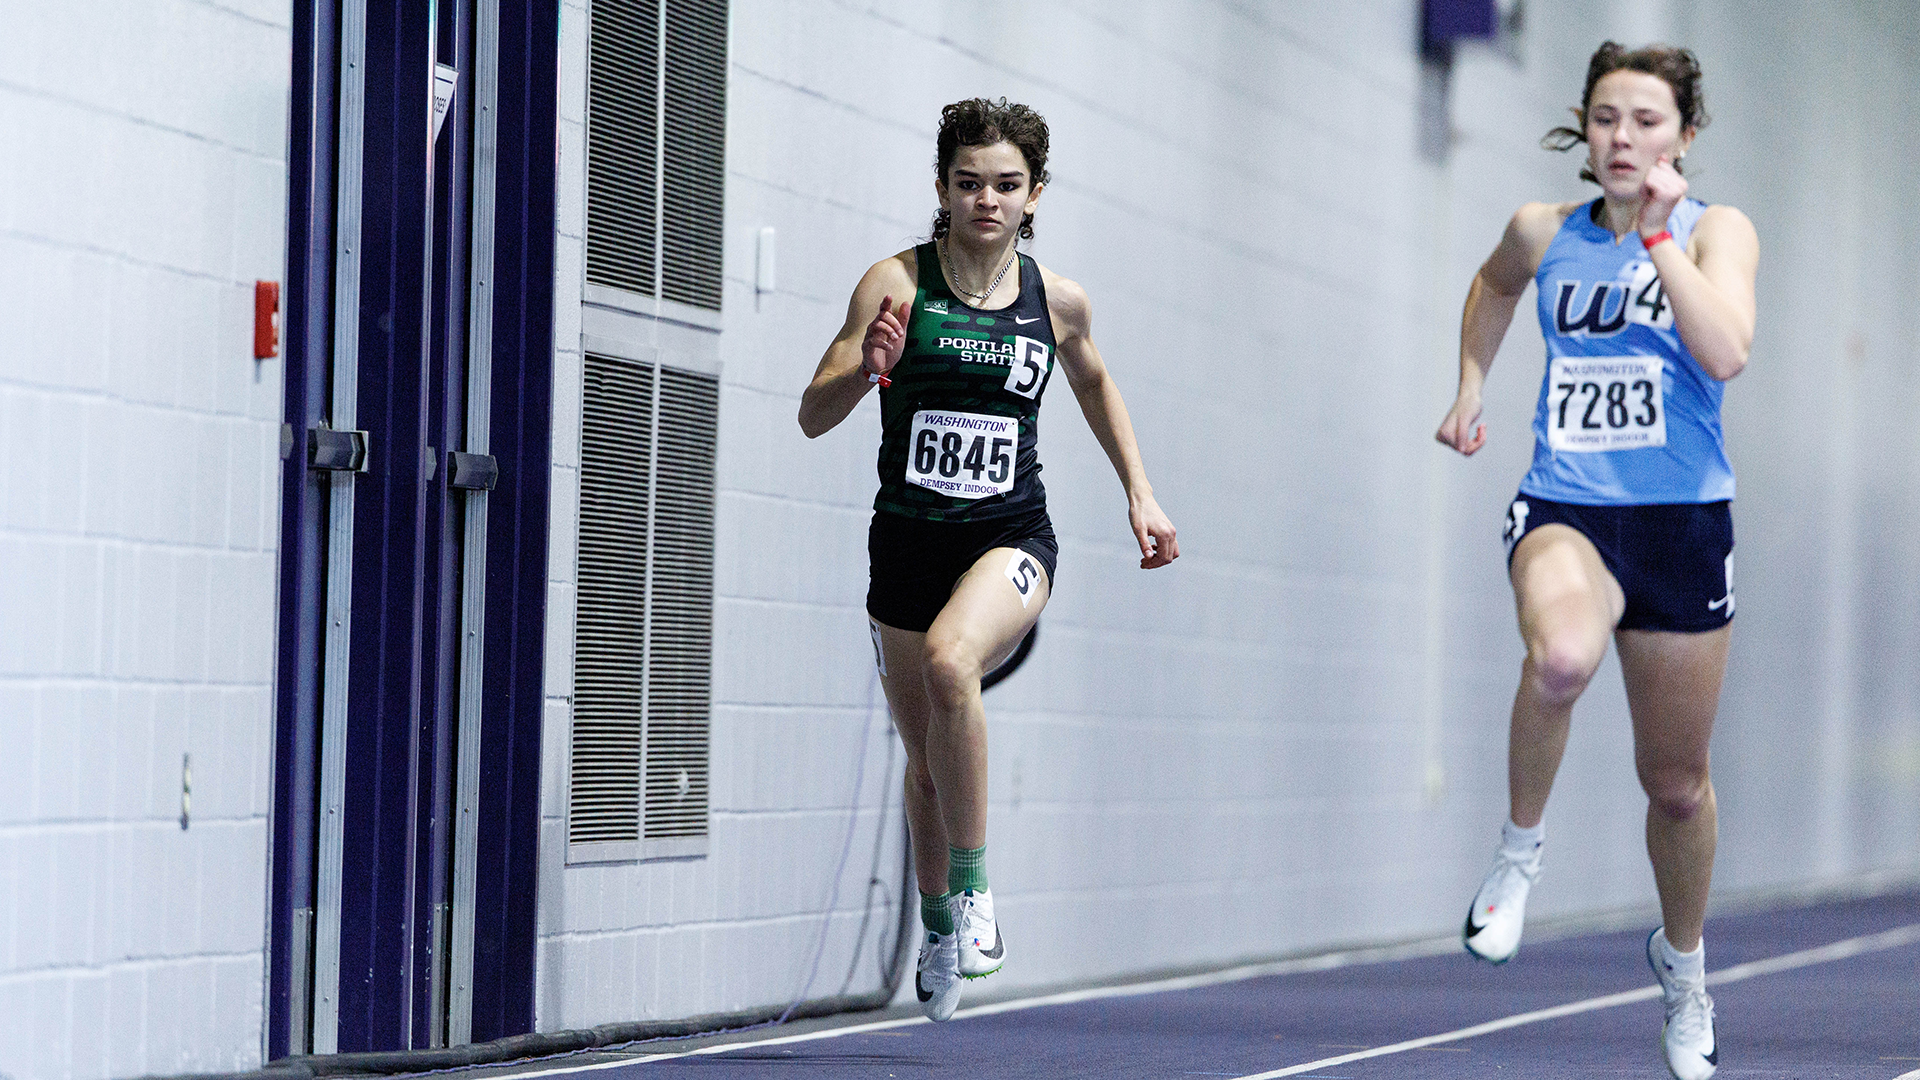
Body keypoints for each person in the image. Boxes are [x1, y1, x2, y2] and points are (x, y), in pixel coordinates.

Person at [799, 98, 1179, 1022]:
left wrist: (1140, 490)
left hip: (1011, 536)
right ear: (941, 187)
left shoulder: (1059, 301)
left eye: (1006, 185)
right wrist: (866, 369)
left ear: (1034, 194)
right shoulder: (893, 283)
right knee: (925, 760)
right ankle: (937, 927)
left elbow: (1093, 380)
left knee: (950, 661)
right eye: (968, 183)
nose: (986, 200)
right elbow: (813, 411)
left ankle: (973, 894)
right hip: (907, 546)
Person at [1434, 42, 1757, 1080]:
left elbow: (1725, 351)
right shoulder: (1546, 231)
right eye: (1609, 118)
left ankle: (1685, 968)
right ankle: (1518, 857)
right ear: (1585, 127)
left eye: (1649, 121)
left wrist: (1661, 236)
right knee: (1561, 661)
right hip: (1570, 504)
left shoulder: (1718, 232)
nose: (1625, 138)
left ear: (1684, 137)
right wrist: (1472, 386)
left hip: (1681, 525)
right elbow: (1491, 286)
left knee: (1675, 785)